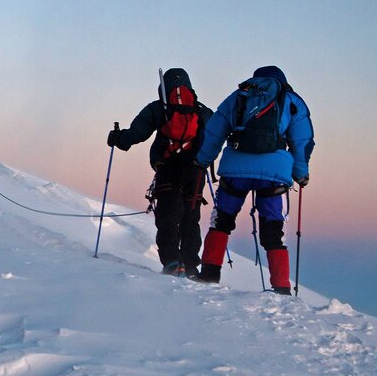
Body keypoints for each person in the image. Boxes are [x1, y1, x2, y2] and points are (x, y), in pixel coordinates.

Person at [192, 65, 314, 294]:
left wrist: (203, 159)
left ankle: (209, 273)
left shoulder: (239, 96)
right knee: (274, 229)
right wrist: (301, 173)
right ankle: (281, 288)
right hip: (273, 174)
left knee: (221, 221)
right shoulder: (291, 100)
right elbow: (302, 140)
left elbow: (214, 130)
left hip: (235, 170)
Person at [107, 68, 214, 277]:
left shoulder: (159, 108)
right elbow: (215, 137)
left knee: (168, 216)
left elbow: (136, 133)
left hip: (168, 168)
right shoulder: (202, 111)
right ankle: (191, 266)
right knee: (190, 218)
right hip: (196, 171)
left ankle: (173, 262)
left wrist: (118, 139)